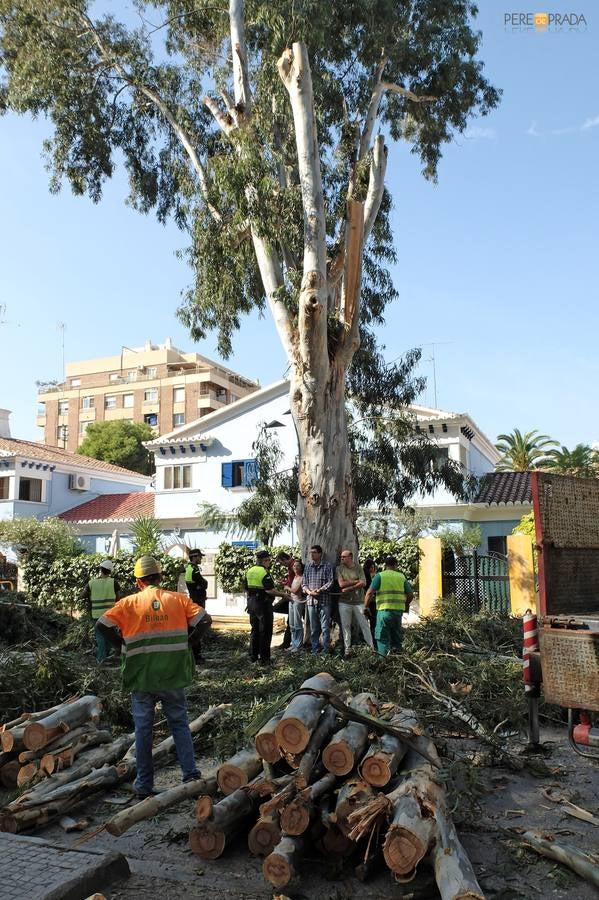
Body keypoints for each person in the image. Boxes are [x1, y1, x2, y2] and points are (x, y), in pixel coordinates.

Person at [96, 555, 211, 798]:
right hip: (172, 675)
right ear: (160, 578)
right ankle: (190, 775)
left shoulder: (128, 604)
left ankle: (144, 786)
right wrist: (189, 643)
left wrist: (121, 647)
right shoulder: (178, 600)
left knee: (143, 731)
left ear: (138, 581)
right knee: (180, 724)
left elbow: (101, 625)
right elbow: (205, 620)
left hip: (142, 677)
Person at [244, 550, 290, 665]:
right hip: (263, 605)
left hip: (251, 603)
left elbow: (245, 588)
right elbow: (269, 590)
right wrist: (283, 594)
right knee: (265, 631)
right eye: (269, 560)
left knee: (254, 630)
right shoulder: (264, 572)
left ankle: (253, 656)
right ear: (265, 560)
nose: (270, 562)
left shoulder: (250, 571)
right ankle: (264, 659)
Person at [364, 555, 413, 656]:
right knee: (397, 638)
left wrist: (366, 606)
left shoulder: (380, 576)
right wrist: (405, 604)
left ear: (385, 565)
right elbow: (410, 595)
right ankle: (398, 660)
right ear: (396, 565)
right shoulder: (401, 577)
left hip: (384, 612)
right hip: (398, 613)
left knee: (382, 637)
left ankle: (384, 661)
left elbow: (369, 593)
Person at [336, 550, 374, 655]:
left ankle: (371, 648)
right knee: (345, 626)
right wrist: (356, 581)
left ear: (350, 557)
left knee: (364, 625)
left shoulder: (358, 568)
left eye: (344, 556)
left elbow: (364, 582)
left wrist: (350, 588)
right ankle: (347, 650)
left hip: (359, 602)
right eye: (341, 557)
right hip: (344, 602)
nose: (341, 558)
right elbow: (341, 584)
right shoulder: (339, 568)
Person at [83, 559, 120, 663]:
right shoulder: (113, 582)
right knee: (109, 636)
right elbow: (118, 599)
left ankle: (101, 659)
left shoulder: (92, 583)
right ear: (110, 571)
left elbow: (82, 595)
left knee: (100, 637)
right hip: (110, 615)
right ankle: (105, 656)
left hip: (96, 615)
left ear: (101, 570)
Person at [302, 545, 334, 655]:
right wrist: (310, 592)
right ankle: (314, 650)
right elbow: (304, 584)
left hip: (324, 601)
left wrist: (320, 590)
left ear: (320, 554)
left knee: (325, 628)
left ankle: (326, 651)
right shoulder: (308, 567)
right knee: (314, 628)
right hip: (311, 601)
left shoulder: (327, 566)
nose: (312, 554)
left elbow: (330, 582)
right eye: (311, 552)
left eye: (314, 552)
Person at [185, 549, 208, 661]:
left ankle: (195, 654)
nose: (201, 558)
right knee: (198, 625)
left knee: (195, 626)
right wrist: (202, 586)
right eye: (199, 557)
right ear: (194, 557)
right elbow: (203, 584)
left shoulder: (190, 568)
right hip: (197, 601)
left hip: (196, 599)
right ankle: (196, 655)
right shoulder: (193, 569)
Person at [275, 551, 295, 650]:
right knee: (291, 621)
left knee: (292, 622)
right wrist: (284, 582)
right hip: (291, 595)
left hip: (293, 597)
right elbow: (291, 581)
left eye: (281, 562)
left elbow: (297, 580)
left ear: (284, 559)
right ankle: (287, 643)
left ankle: (288, 644)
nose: (282, 565)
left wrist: (287, 586)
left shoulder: (294, 565)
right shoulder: (290, 566)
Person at [288, 560, 306, 652]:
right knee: (291, 624)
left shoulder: (302, 577)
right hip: (291, 601)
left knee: (297, 623)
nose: (295, 567)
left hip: (298, 602)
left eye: (297, 566)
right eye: (294, 566)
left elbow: (295, 590)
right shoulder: (294, 577)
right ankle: (293, 643)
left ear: (301, 568)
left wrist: (287, 588)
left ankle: (299, 645)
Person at [363, 557, 378, 639]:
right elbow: (369, 591)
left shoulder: (373, 576)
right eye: (371, 567)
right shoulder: (367, 577)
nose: (373, 569)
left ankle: (369, 637)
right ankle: (371, 637)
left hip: (369, 601)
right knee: (372, 620)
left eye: (373, 567)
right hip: (369, 601)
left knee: (370, 621)